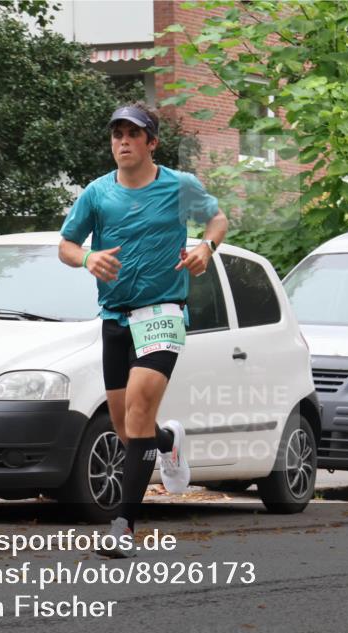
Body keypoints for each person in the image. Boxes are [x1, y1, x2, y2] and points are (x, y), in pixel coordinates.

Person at [58, 102, 229, 557]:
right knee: (123, 425)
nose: (124, 142)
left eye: (133, 134)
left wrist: (206, 249)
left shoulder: (179, 186)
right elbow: (66, 246)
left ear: (151, 142)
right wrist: (87, 258)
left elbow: (217, 219)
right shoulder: (96, 194)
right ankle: (169, 441)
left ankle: (123, 526)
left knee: (136, 413)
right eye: (117, 135)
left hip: (163, 313)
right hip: (115, 318)